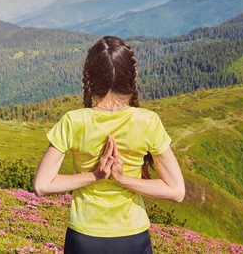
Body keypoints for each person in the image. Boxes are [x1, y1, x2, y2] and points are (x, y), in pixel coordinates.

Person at [33, 35, 185, 254]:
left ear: (91, 77)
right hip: (132, 236)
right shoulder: (148, 121)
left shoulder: (73, 121)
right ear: (132, 76)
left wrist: (96, 176)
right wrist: (122, 179)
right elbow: (177, 191)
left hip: (84, 236)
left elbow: (42, 185)